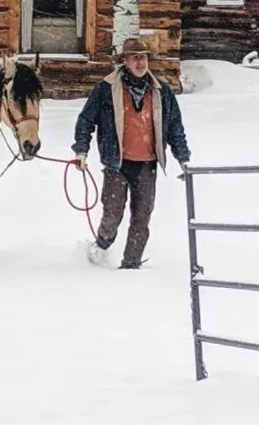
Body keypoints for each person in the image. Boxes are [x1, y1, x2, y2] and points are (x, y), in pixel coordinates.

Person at [72, 36, 191, 269]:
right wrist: (81, 150)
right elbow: (86, 120)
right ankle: (102, 245)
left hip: (147, 165)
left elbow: (174, 127)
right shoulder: (106, 89)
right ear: (125, 61)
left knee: (142, 217)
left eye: (144, 58)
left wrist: (183, 157)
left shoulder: (161, 92)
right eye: (135, 58)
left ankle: (131, 265)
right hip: (116, 163)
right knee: (112, 214)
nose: (140, 63)